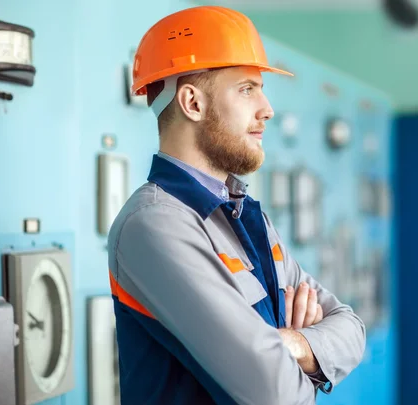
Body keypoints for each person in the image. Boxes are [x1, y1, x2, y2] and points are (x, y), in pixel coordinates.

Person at [108, 5, 366, 405]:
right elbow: (275, 393)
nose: (268, 109)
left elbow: (351, 329)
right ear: (193, 103)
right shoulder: (154, 224)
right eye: (247, 89)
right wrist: (312, 352)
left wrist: (294, 345)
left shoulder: (245, 214)